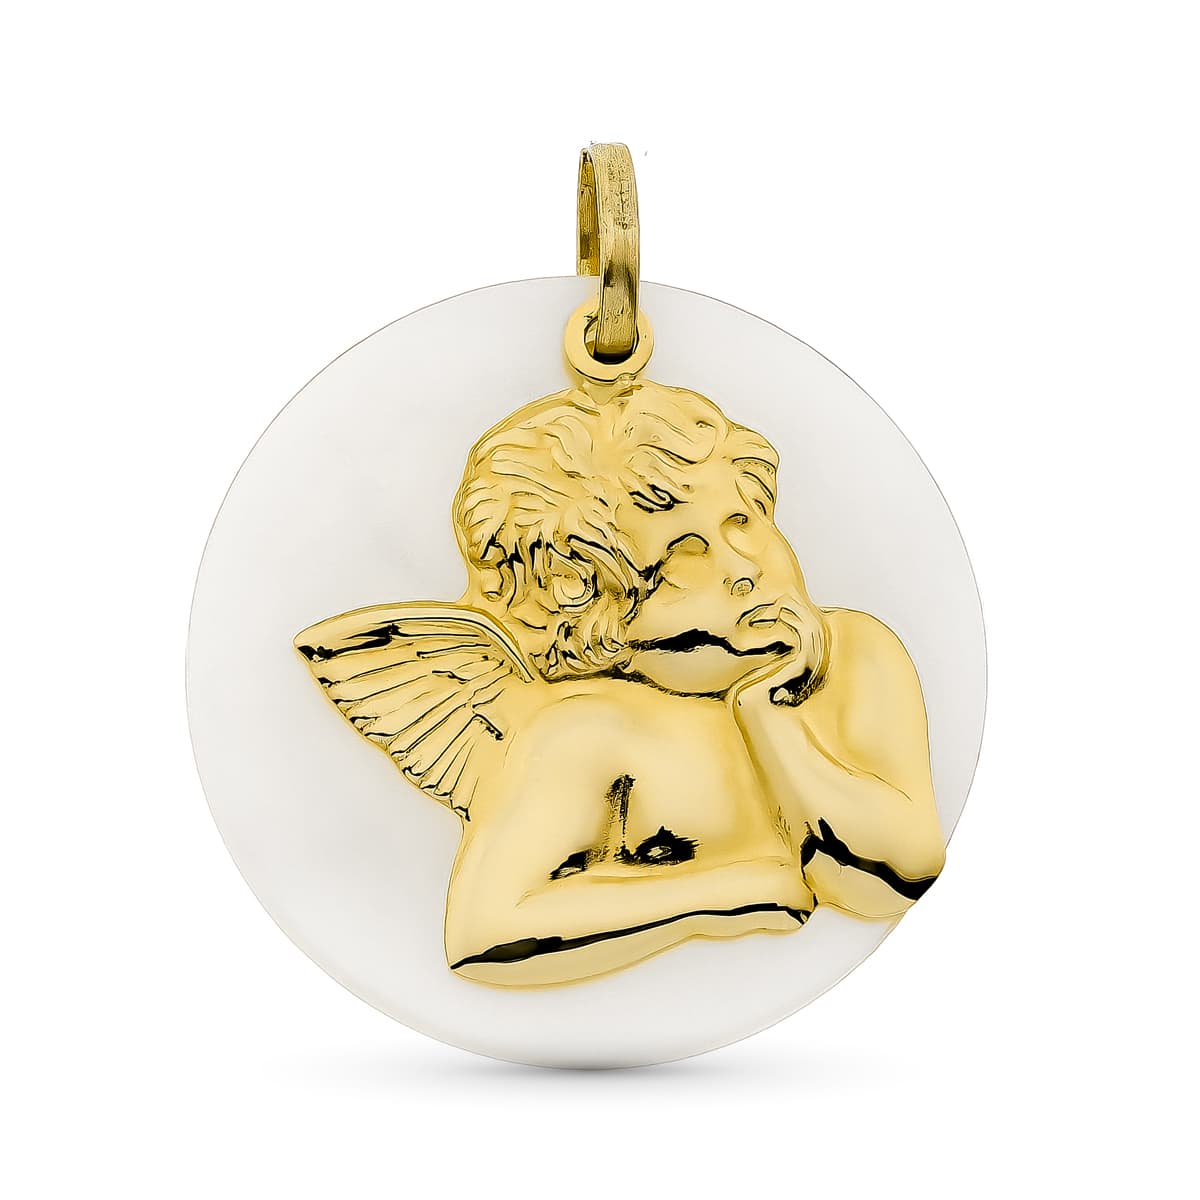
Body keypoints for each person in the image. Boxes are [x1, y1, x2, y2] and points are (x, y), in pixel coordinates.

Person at [297, 379, 945, 988]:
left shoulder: (853, 654)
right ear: (603, 620)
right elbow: (485, 930)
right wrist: (721, 897)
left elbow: (897, 873)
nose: (742, 568)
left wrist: (766, 709)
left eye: (742, 523)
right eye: (683, 559)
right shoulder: (586, 731)